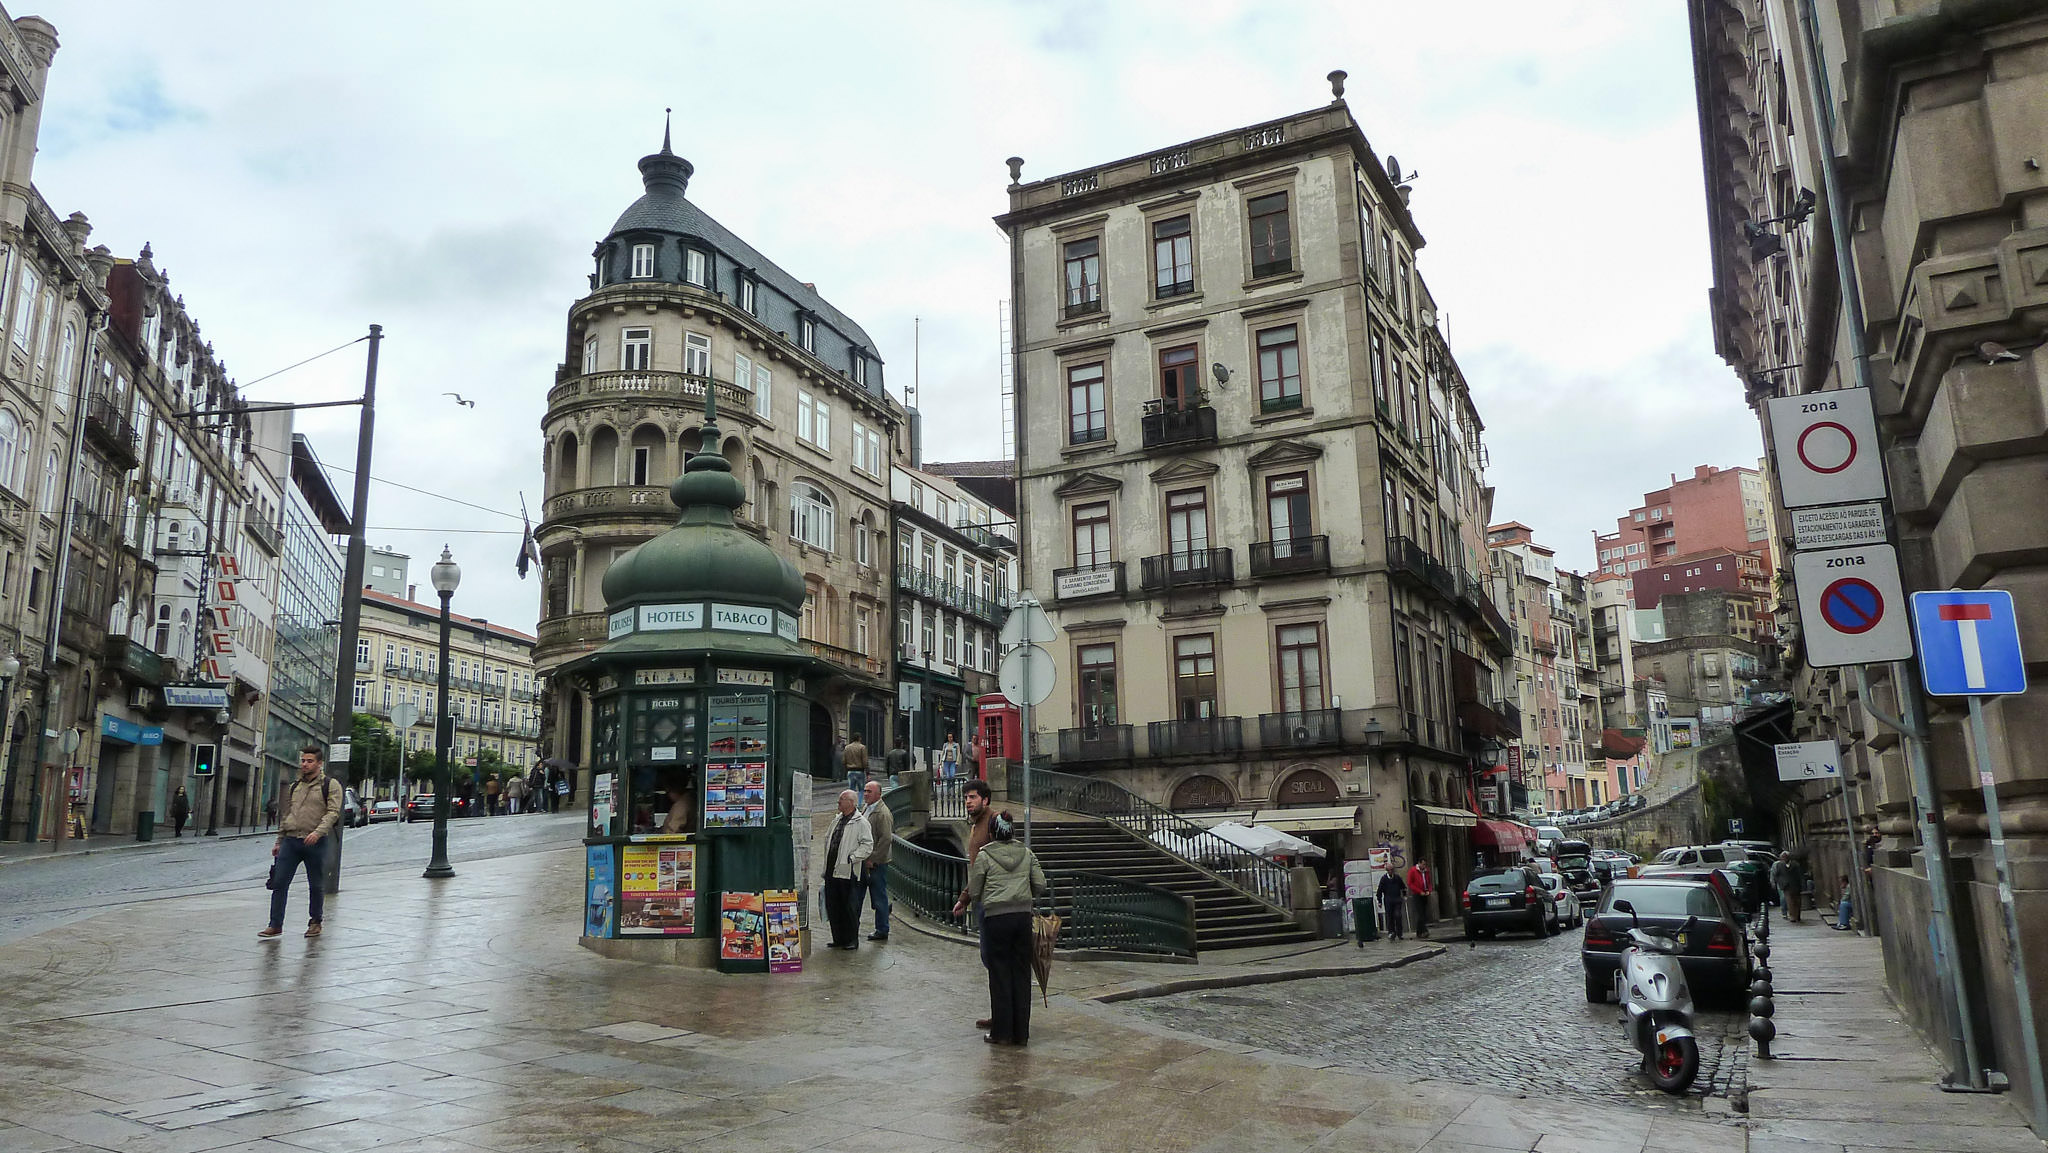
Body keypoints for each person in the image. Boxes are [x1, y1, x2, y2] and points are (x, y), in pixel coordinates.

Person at [965, 811, 1048, 1047]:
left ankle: (1002, 1033)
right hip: (1022, 918)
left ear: (992, 832)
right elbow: (1040, 884)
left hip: (996, 918)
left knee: (999, 973)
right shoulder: (1026, 853)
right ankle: (1021, 1033)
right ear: (1012, 831)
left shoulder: (984, 856)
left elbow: (974, 889)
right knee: (1021, 973)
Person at [261, 746, 342, 940]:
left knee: (315, 884)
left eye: (310, 761)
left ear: (319, 763)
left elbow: (333, 812)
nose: (305, 764)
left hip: (315, 841)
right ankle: (275, 924)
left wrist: (318, 832)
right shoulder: (295, 786)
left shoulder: (330, 785)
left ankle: (315, 922)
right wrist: (279, 840)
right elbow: (287, 814)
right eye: (303, 761)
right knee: (279, 882)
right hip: (291, 840)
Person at [951, 779, 998, 1028]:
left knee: (994, 957)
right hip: (981, 898)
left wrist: (966, 896)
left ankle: (1003, 1014)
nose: (968, 802)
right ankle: (998, 1011)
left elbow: (994, 864)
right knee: (988, 957)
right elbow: (976, 870)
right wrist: (966, 897)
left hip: (994, 900)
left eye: (973, 797)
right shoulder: (975, 825)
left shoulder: (994, 822)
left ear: (985, 799)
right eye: (966, 798)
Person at [821, 789, 873, 950]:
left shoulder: (861, 822)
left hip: (848, 871)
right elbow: (827, 839)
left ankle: (852, 939)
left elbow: (867, 845)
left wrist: (853, 858)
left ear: (851, 802)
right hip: (832, 869)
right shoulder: (837, 820)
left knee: (849, 907)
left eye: (841, 800)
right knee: (833, 906)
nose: (838, 802)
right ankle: (838, 938)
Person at [860, 779, 893, 941]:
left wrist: (874, 858)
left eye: (869, 791)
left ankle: (882, 929)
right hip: (865, 860)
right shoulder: (866, 807)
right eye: (865, 791)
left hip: (876, 863)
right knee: (871, 895)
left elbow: (886, 839)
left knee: (879, 896)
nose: (865, 794)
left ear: (878, 794)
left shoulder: (883, 813)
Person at [1376, 865, 1408, 940]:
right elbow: (1379, 890)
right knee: (1389, 917)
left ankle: (1399, 933)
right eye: (1389, 870)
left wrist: (1405, 895)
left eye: (1392, 870)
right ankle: (1391, 932)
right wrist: (1379, 901)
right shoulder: (1384, 879)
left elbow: (1403, 887)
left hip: (1397, 899)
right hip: (1388, 900)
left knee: (1398, 915)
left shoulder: (1397, 878)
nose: (1391, 871)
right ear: (1387, 871)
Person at [1405, 858, 1434, 939]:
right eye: (1423, 864)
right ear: (1419, 863)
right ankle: (1424, 931)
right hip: (1417, 894)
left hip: (1425, 893)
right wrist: (1419, 891)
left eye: (1425, 864)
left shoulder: (1426, 871)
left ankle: (1420, 932)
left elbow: (1429, 882)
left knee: (1424, 914)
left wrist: (1429, 890)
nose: (1424, 866)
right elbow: (1410, 883)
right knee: (1420, 913)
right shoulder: (1413, 871)